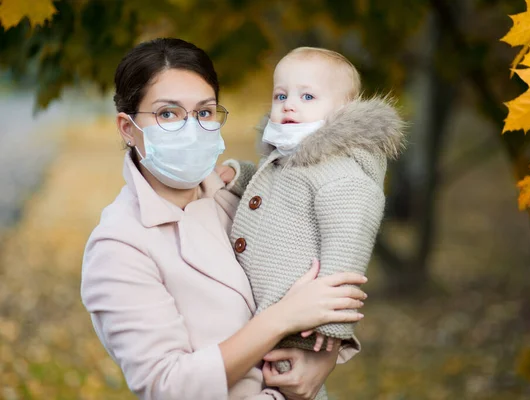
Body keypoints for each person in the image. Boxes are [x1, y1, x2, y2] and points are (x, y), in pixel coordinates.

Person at [80, 38, 369, 400]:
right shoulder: (118, 245)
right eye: (168, 114)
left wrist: (319, 361)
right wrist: (283, 317)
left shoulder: (240, 198)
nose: (190, 127)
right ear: (127, 127)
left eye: (203, 112)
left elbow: (323, 263)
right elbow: (167, 385)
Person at [227, 47, 406, 398]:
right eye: (281, 95)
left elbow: (348, 248)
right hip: (271, 313)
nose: (289, 104)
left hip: (301, 324)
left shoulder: (342, 174)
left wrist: (334, 320)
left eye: (307, 96)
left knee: (286, 381)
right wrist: (239, 176)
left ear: (343, 111)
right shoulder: (290, 158)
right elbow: (274, 193)